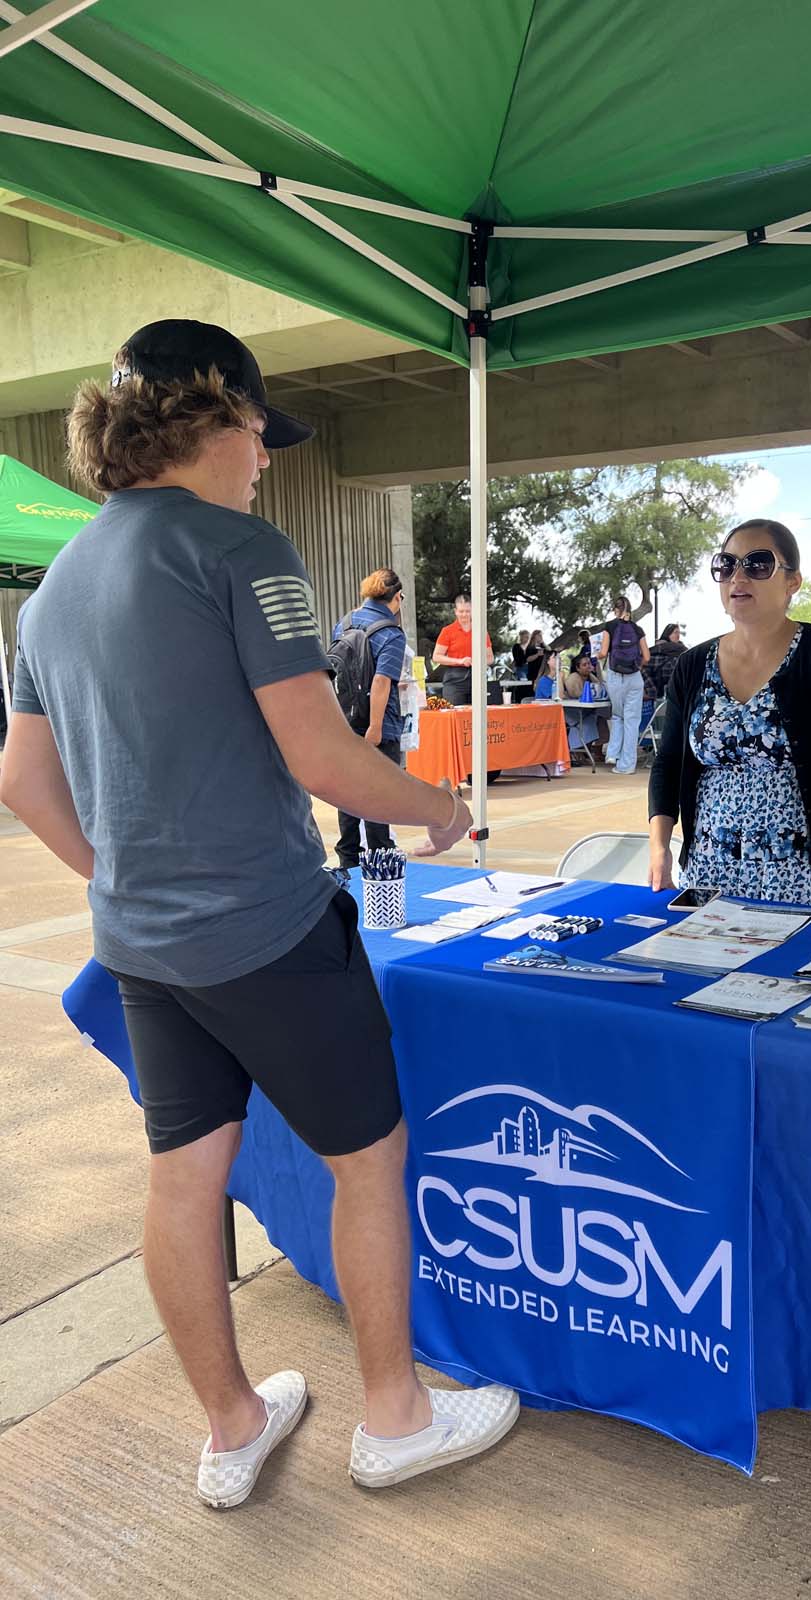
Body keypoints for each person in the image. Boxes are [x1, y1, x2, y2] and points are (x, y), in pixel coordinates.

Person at [0, 319, 517, 1508]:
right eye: (255, 430)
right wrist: (438, 807)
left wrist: (121, 875)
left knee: (184, 1173)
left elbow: (23, 781)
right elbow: (323, 756)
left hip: (141, 944)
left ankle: (232, 1426)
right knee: (371, 1157)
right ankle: (394, 1415)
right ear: (206, 420)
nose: (267, 458)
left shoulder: (56, 588)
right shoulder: (239, 549)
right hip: (271, 928)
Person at [647, 518, 811, 916]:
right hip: (710, 862)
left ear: (793, 581)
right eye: (727, 564)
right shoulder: (692, 664)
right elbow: (669, 762)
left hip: (801, 866)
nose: (739, 576)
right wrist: (659, 849)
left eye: (758, 564)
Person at [330, 568, 409, 870]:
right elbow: (380, 682)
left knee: (348, 790)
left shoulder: (345, 623)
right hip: (377, 726)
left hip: (345, 720)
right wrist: (375, 728)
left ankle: (348, 861)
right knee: (379, 792)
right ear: (396, 597)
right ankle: (380, 861)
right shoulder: (390, 632)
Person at [598, 595, 650, 774]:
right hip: (635, 678)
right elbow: (647, 657)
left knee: (618, 716)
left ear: (615, 610)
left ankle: (612, 753)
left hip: (616, 677)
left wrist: (596, 655)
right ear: (630, 610)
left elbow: (604, 652)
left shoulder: (610, 627)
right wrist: (636, 666)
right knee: (632, 721)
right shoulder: (638, 629)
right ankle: (627, 765)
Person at [431, 592, 494, 706]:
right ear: (455, 611)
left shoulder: (481, 631)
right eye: (461, 611)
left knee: (479, 716)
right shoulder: (448, 631)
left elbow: (490, 658)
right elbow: (436, 656)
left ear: (472, 611)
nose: (464, 614)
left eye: (467, 611)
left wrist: (478, 662)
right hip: (454, 678)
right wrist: (459, 661)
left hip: (477, 677)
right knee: (455, 715)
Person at [562, 652, 610, 755]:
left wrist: (597, 668)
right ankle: (580, 751)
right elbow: (575, 695)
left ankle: (597, 751)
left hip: (585, 709)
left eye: (589, 663)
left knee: (601, 717)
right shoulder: (573, 678)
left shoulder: (590, 676)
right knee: (594, 718)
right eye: (585, 664)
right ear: (577, 668)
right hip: (572, 711)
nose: (588, 666)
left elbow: (600, 686)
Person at [644, 622, 688, 700]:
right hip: (658, 693)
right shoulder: (658, 651)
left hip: (678, 693)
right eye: (675, 632)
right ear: (668, 634)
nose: (678, 635)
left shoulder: (683, 652)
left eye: (678, 632)